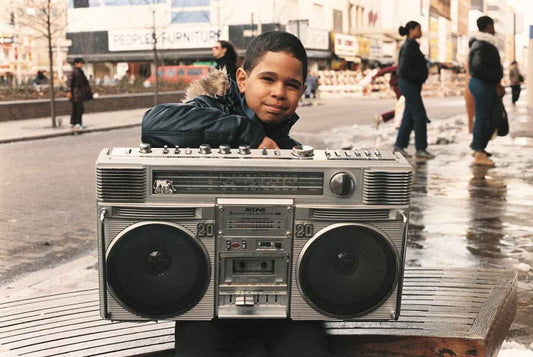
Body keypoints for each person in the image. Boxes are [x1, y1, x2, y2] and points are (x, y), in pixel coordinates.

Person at [142, 31, 307, 151]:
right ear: (242, 80)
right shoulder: (213, 107)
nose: (279, 92)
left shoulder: (291, 150)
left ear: (301, 92)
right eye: (268, 79)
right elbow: (153, 123)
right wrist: (248, 136)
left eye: (292, 85)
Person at [393, 21, 434, 159]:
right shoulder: (409, 46)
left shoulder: (412, 45)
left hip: (411, 84)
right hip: (409, 84)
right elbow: (404, 69)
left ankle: (399, 146)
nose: (420, 31)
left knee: (409, 116)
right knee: (420, 115)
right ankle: (421, 149)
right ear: (411, 30)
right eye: (418, 28)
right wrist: (418, 77)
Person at [468, 16, 503, 166]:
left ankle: (479, 146)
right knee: (483, 117)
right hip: (482, 84)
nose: (494, 28)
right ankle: (478, 149)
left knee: (494, 116)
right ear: (488, 26)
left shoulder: (485, 43)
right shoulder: (481, 44)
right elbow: (477, 67)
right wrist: (494, 79)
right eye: (493, 25)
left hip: (486, 84)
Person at [66, 58, 93, 129]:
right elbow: (70, 82)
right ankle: (77, 123)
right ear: (76, 64)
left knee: (77, 108)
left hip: (78, 93)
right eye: (80, 63)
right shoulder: (74, 72)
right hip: (76, 93)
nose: (81, 65)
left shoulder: (80, 72)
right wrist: (69, 91)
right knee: (78, 108)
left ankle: (74, 122)